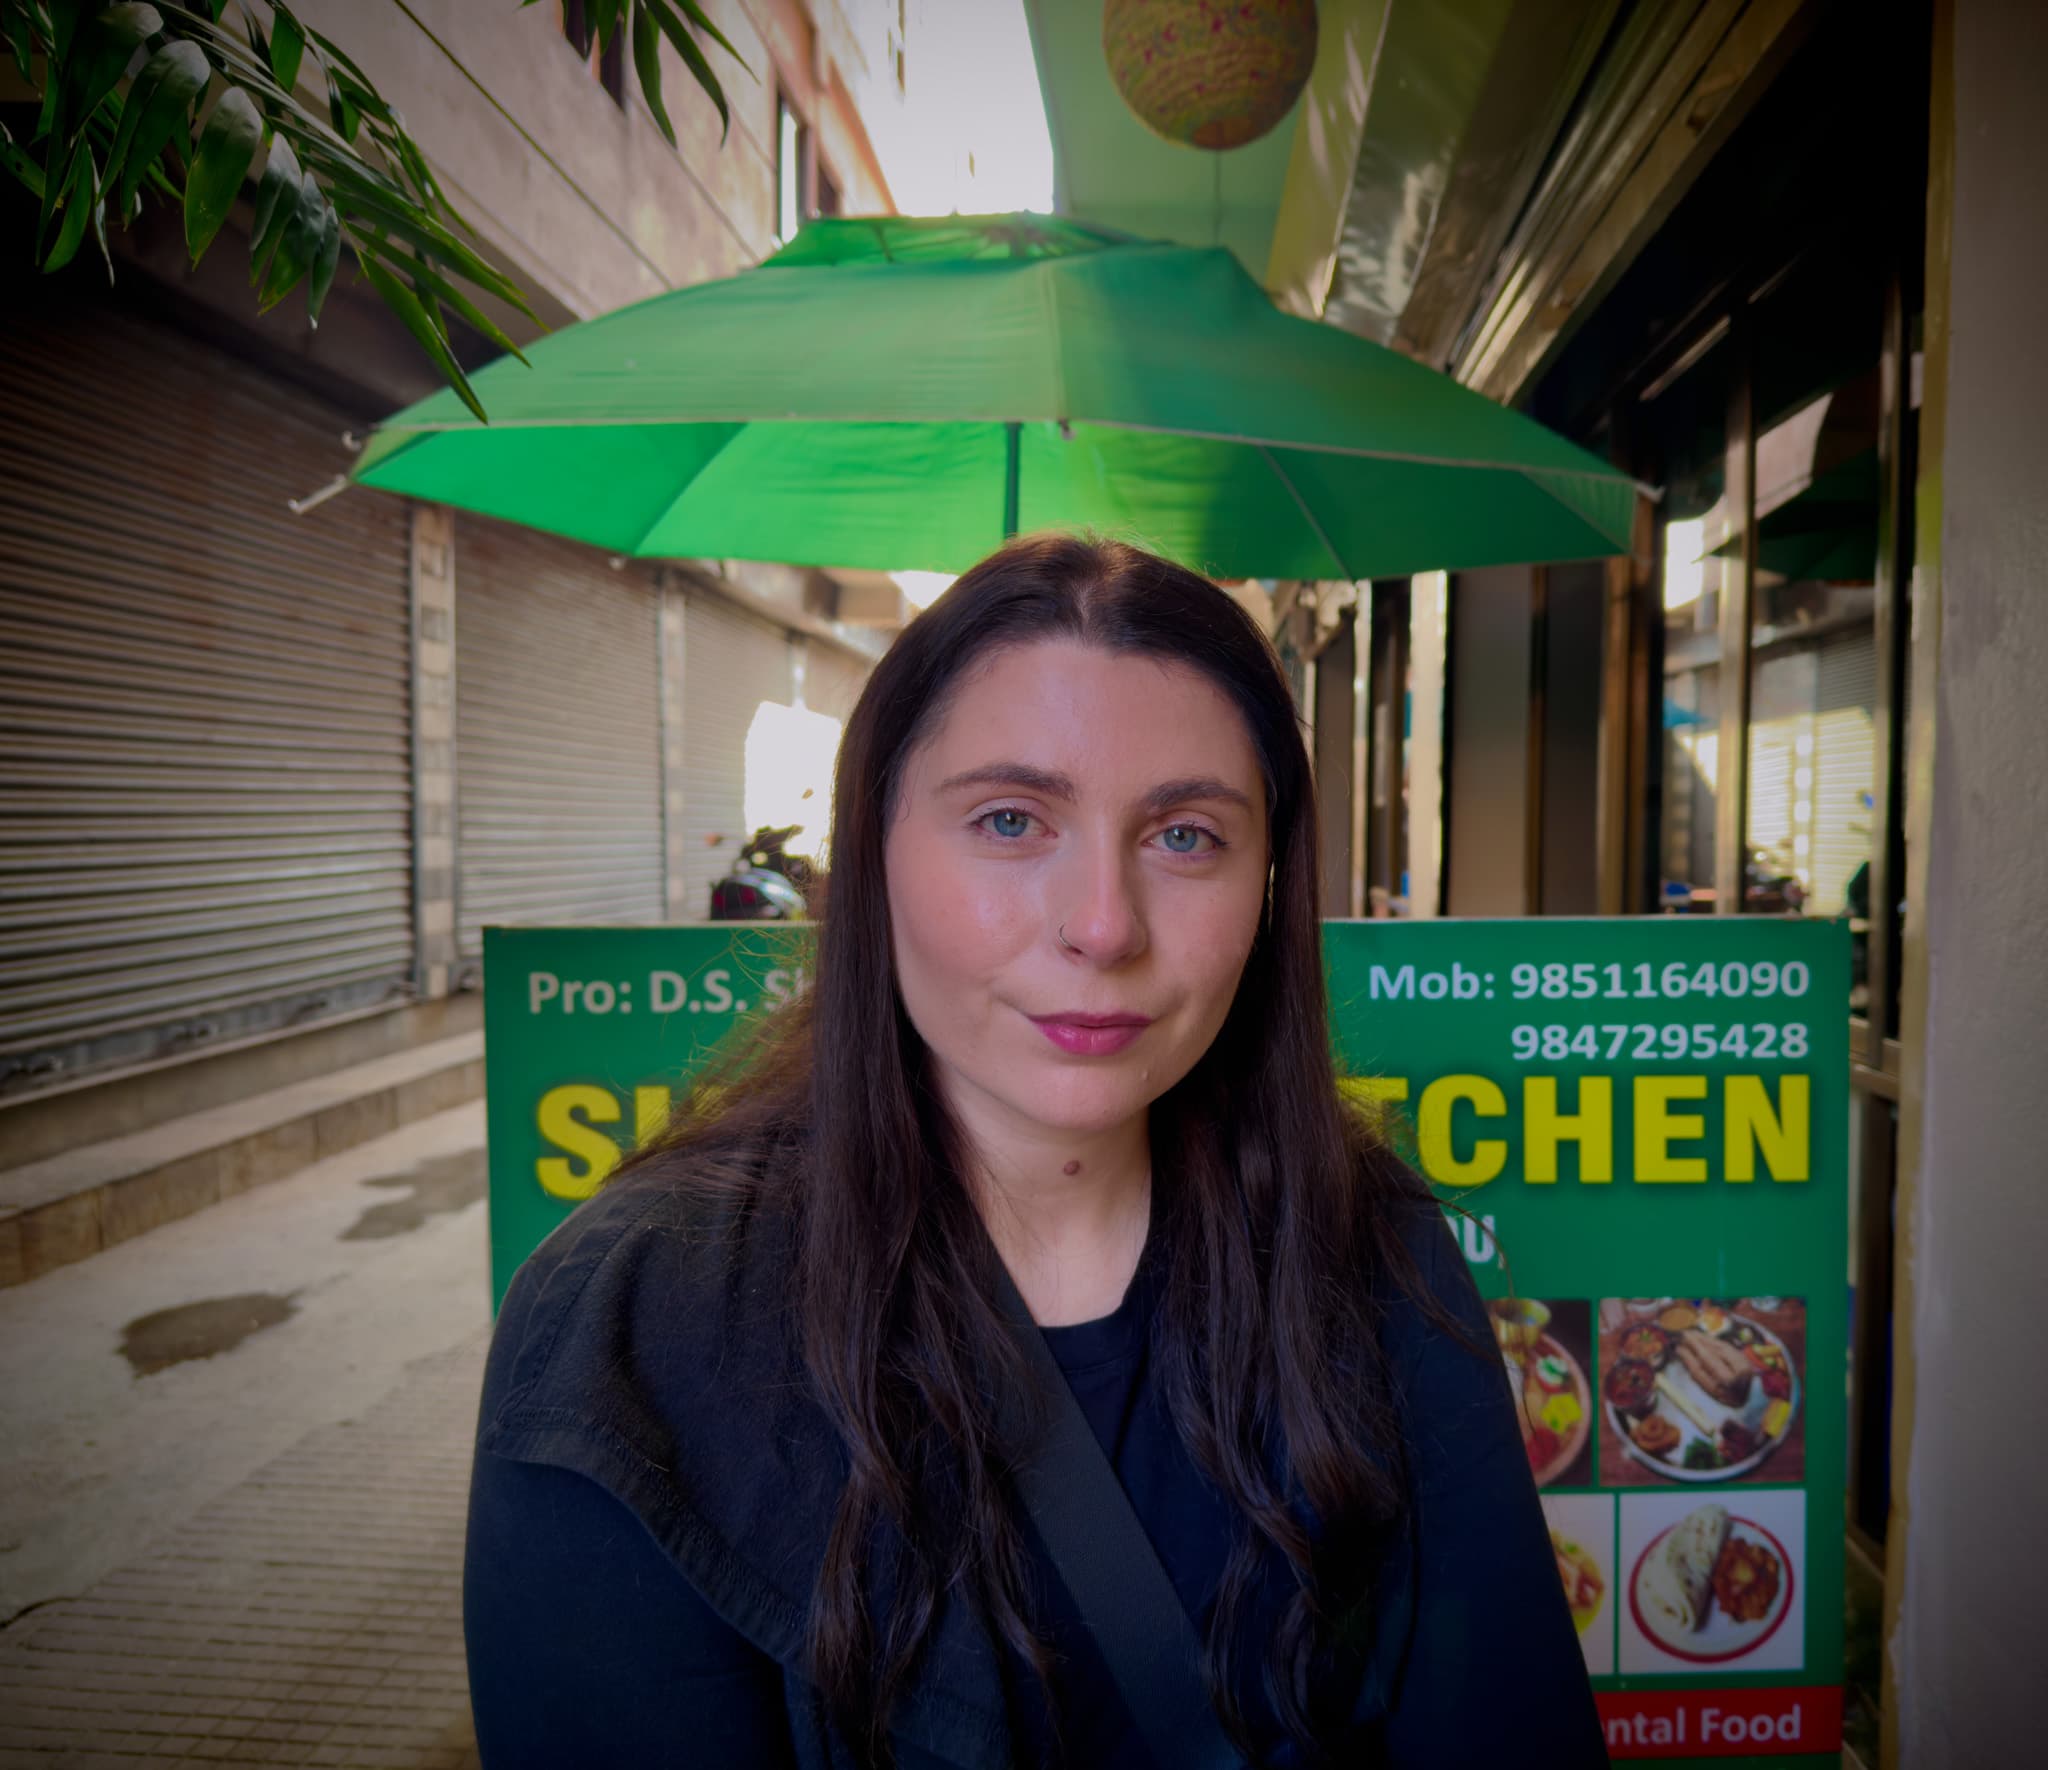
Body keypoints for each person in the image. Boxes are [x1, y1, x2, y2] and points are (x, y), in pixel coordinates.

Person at [463, 535, 1606, 1768]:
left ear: (1269, 886)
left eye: (1184, 837)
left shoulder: (1372, 1254)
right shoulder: (631, 1331)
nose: (1103, 925)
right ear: (876, 848)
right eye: (1010, 820)